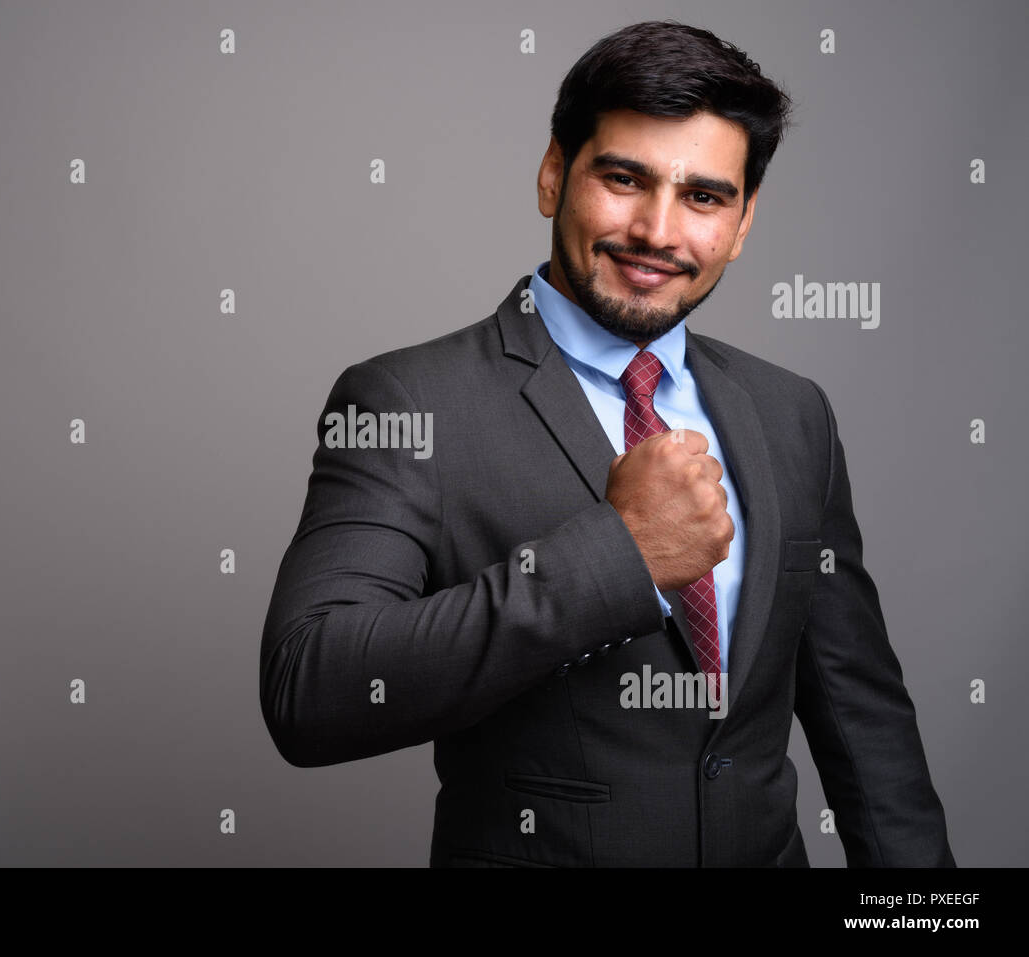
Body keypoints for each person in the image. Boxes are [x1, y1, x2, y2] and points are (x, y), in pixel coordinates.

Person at [259, 19, 955, 867]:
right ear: (554, 174)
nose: (659, 231)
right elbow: (310, 689)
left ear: (742, 222)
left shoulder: (792, 412)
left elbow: (863, 717)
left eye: (704, 196)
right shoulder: (406, 401)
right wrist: (616, 557)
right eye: (624, 178)